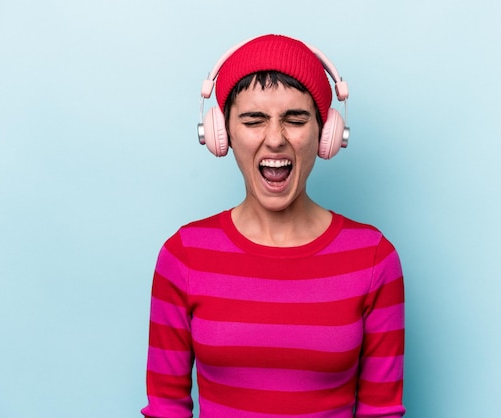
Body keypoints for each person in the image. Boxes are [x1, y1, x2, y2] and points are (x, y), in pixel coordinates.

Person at [141, 34, 405, 418]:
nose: (275, 140)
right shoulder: (183, 256)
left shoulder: (374, 258)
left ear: (326, 134)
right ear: (222, 133)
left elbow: (381, 412)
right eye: (253, 120)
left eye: (295, 119)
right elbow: (166, 409)